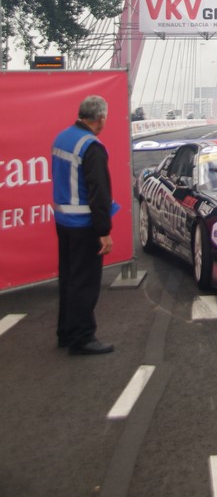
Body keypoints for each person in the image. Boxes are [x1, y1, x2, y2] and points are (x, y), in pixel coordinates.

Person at [51, 95, 115, 354]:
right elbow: (99, 192)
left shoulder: (62, 138)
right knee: (85, 284)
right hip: (83, 225)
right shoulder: (91, 146)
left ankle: (66, 333)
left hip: (63, 221)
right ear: (100, 118)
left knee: (68, 279)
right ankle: (82, 338)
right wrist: (104, 231)